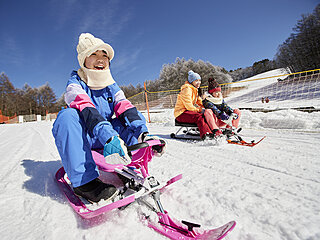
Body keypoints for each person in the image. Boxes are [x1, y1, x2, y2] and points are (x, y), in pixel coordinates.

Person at [52, 33, 163, 203]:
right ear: (84, 60)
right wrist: (109, 136)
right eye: (94, 54)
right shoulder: (75, 83)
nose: (101, 59)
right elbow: (87, 109)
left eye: (105, 55)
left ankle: (130, 168)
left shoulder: (111, 85)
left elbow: (125, 107)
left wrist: (144, 134)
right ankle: (85, 183)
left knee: (133, 116)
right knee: (67, 117)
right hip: (86, 137)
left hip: (109, 136)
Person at [174, 70, 214, 140]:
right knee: (200, 117)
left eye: (199, 80)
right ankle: (206, 134)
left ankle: (209, 130)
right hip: (181, 113)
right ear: (191, 81)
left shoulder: (195, 89)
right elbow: (189, 106)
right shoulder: (187, 89)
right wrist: (200, 110)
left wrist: (209, 107)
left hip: (188, 112)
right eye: (196, 81)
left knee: (206, 114)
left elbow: (200, 102)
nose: (199, 82)